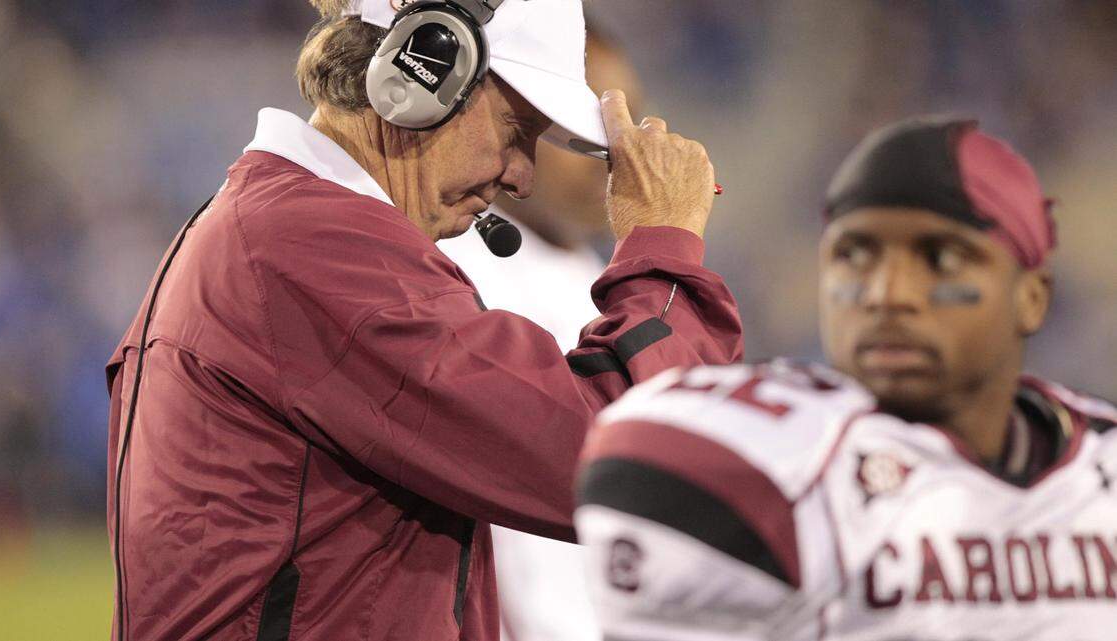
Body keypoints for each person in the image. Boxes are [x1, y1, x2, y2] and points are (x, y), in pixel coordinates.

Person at [104, 0, 743, 640]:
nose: (523, 177)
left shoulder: (283, 230)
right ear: (424, 68)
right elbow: (626, 463)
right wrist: (663, 244)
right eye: (516, 129)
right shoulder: (318, 251)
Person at [575, 116, 1117, 640]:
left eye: (941, 259)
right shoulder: (757, 463)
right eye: (854, 254)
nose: (886, 294)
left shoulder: (1102, 469)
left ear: (1031, 297)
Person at [438, 26, 642, 641]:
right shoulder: (452, 275)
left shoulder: (590, 274)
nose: (617, 151)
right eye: (587, 125)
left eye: (628, 120)